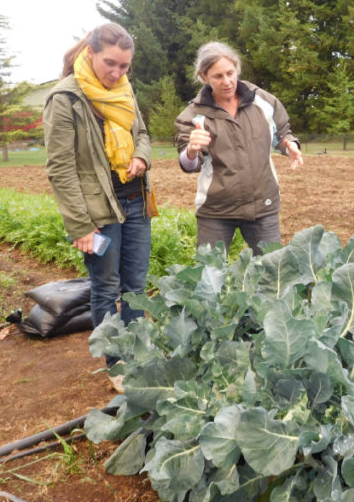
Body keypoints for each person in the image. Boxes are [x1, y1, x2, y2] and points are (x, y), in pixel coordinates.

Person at [43, 23, 153, 390]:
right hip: (98, 211)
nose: (117, 73)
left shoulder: (124, 90)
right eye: (110, 63)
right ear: (90, 54)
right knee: (106, 288)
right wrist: (80, 227)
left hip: (135, 199)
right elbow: (61, 168)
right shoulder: (66, 99)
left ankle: (139, 355)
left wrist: (140, 156)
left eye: (124, 66)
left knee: (136, 287)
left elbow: (142, 133)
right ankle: (117, 364)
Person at [175, 41, 303, 256]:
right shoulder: (193, 115)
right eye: (218, 76)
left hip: (263, 205)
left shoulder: (263, 101)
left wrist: (290, 145)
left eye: (230, 73)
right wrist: (191, 151)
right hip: (216, 210)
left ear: (237, 70)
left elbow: (281, 133)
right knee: (208, 276)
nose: (227, 82)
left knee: (273, 273)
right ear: (204, 77)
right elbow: (189, 165)